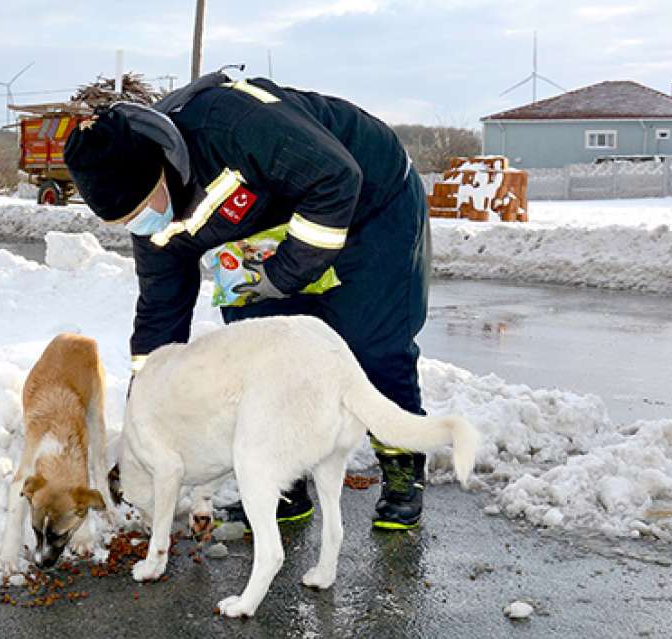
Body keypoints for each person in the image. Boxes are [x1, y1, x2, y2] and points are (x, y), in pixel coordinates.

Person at [62, 72, 431, 531]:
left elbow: (336, 179)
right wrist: (145, 414)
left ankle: (401, 469)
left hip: (367, 205)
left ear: (160, 168)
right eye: (126, 222)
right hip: (271, 226)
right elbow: (159, 318)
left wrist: (280, 275)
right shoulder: (156, 226)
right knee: (261, 351)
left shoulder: (234, 125)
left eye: (139, 210)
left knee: (371, 340)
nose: (140, 225)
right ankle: (284, 481)